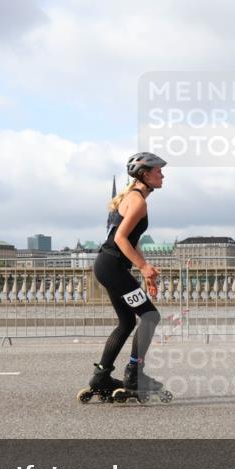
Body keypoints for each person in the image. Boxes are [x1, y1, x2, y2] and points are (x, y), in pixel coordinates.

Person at [80, 152, 168, 402]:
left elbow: (130, 240)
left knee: (128, 322)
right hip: (113, 267)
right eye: (158, 171)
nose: (162, 174)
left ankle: (101, 375)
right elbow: (120, 239)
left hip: (108, 266)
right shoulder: (138, 201)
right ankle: (134, 374)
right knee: (151, 316)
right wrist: (142, 267)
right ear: (144, 174)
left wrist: (146, 267)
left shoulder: (134, 197)